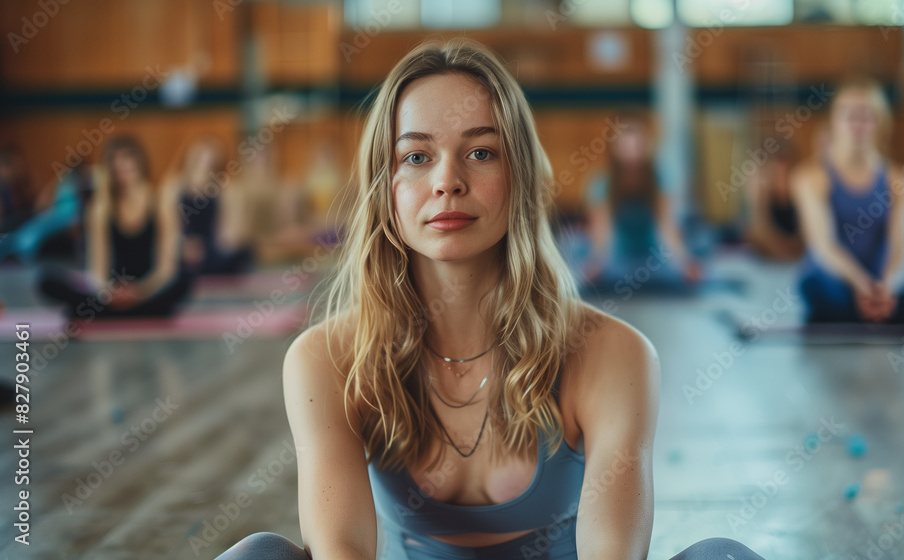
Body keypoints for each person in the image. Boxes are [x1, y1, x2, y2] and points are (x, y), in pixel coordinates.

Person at [215, 39, 765, 560]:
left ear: (519, 175)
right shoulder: (326, 360)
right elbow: (341, 551)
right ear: (385, 185)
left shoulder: (613, 355)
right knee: (262, 553)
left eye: (480, 152)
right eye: (416, 157)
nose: (447, 181)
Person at [792, 78, 904, 325]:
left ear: (880, 123)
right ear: (834, 122)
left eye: (866, 116)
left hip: (880, 287)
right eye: (850, 116)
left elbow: (901, 248)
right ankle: (886, 313)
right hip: (836, 284)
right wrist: (862, 285)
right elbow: (823, 246)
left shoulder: (899, 181)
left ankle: (873, 311)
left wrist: (887, 287)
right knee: (810, 285)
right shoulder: (810, 177)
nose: (857, 124)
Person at [34, 135, 194, 320]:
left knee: (185, 280)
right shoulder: (100, 209)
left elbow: (166, 268)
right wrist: (108, 292)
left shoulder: (160, 204)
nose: (122, 166)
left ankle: (107, 313)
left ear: (141, 162)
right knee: (46, 280)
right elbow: (97, 270)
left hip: (149, 290)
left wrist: (139, 292)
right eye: (116, 161)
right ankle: (137, 312)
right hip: (112, 293)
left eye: (128, 158)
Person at [576, 109, 702, 294]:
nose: (631, 145)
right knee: (579, 259)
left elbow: (666, 227)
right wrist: (595, 264)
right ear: (614, 146)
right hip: (618, 254)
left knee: (691, 258)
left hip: (652, 253)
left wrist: (684, 264)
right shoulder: (601, 184)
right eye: (625, 138)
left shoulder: (662, 178)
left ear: (646, 144)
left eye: (636, 138)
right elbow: (602, 232)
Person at [171, 135, 254, 276]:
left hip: (211, 247)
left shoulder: (224, 188)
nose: (204, 164)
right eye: (200, 158)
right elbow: (168, 227)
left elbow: (229, 230)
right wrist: (183, 245)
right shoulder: (174, 186)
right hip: (182, 246)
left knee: (243, 253)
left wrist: (226, 243)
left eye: (210, 160)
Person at [744, 137, 803, 261]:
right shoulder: (762, 191)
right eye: (778, 168)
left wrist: (794, 245)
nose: (782, 173)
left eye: (786, 168)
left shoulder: (801, 186)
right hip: (770, 255)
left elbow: (809, 230)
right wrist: (776, 247)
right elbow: (757, 228)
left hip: (796, 254)